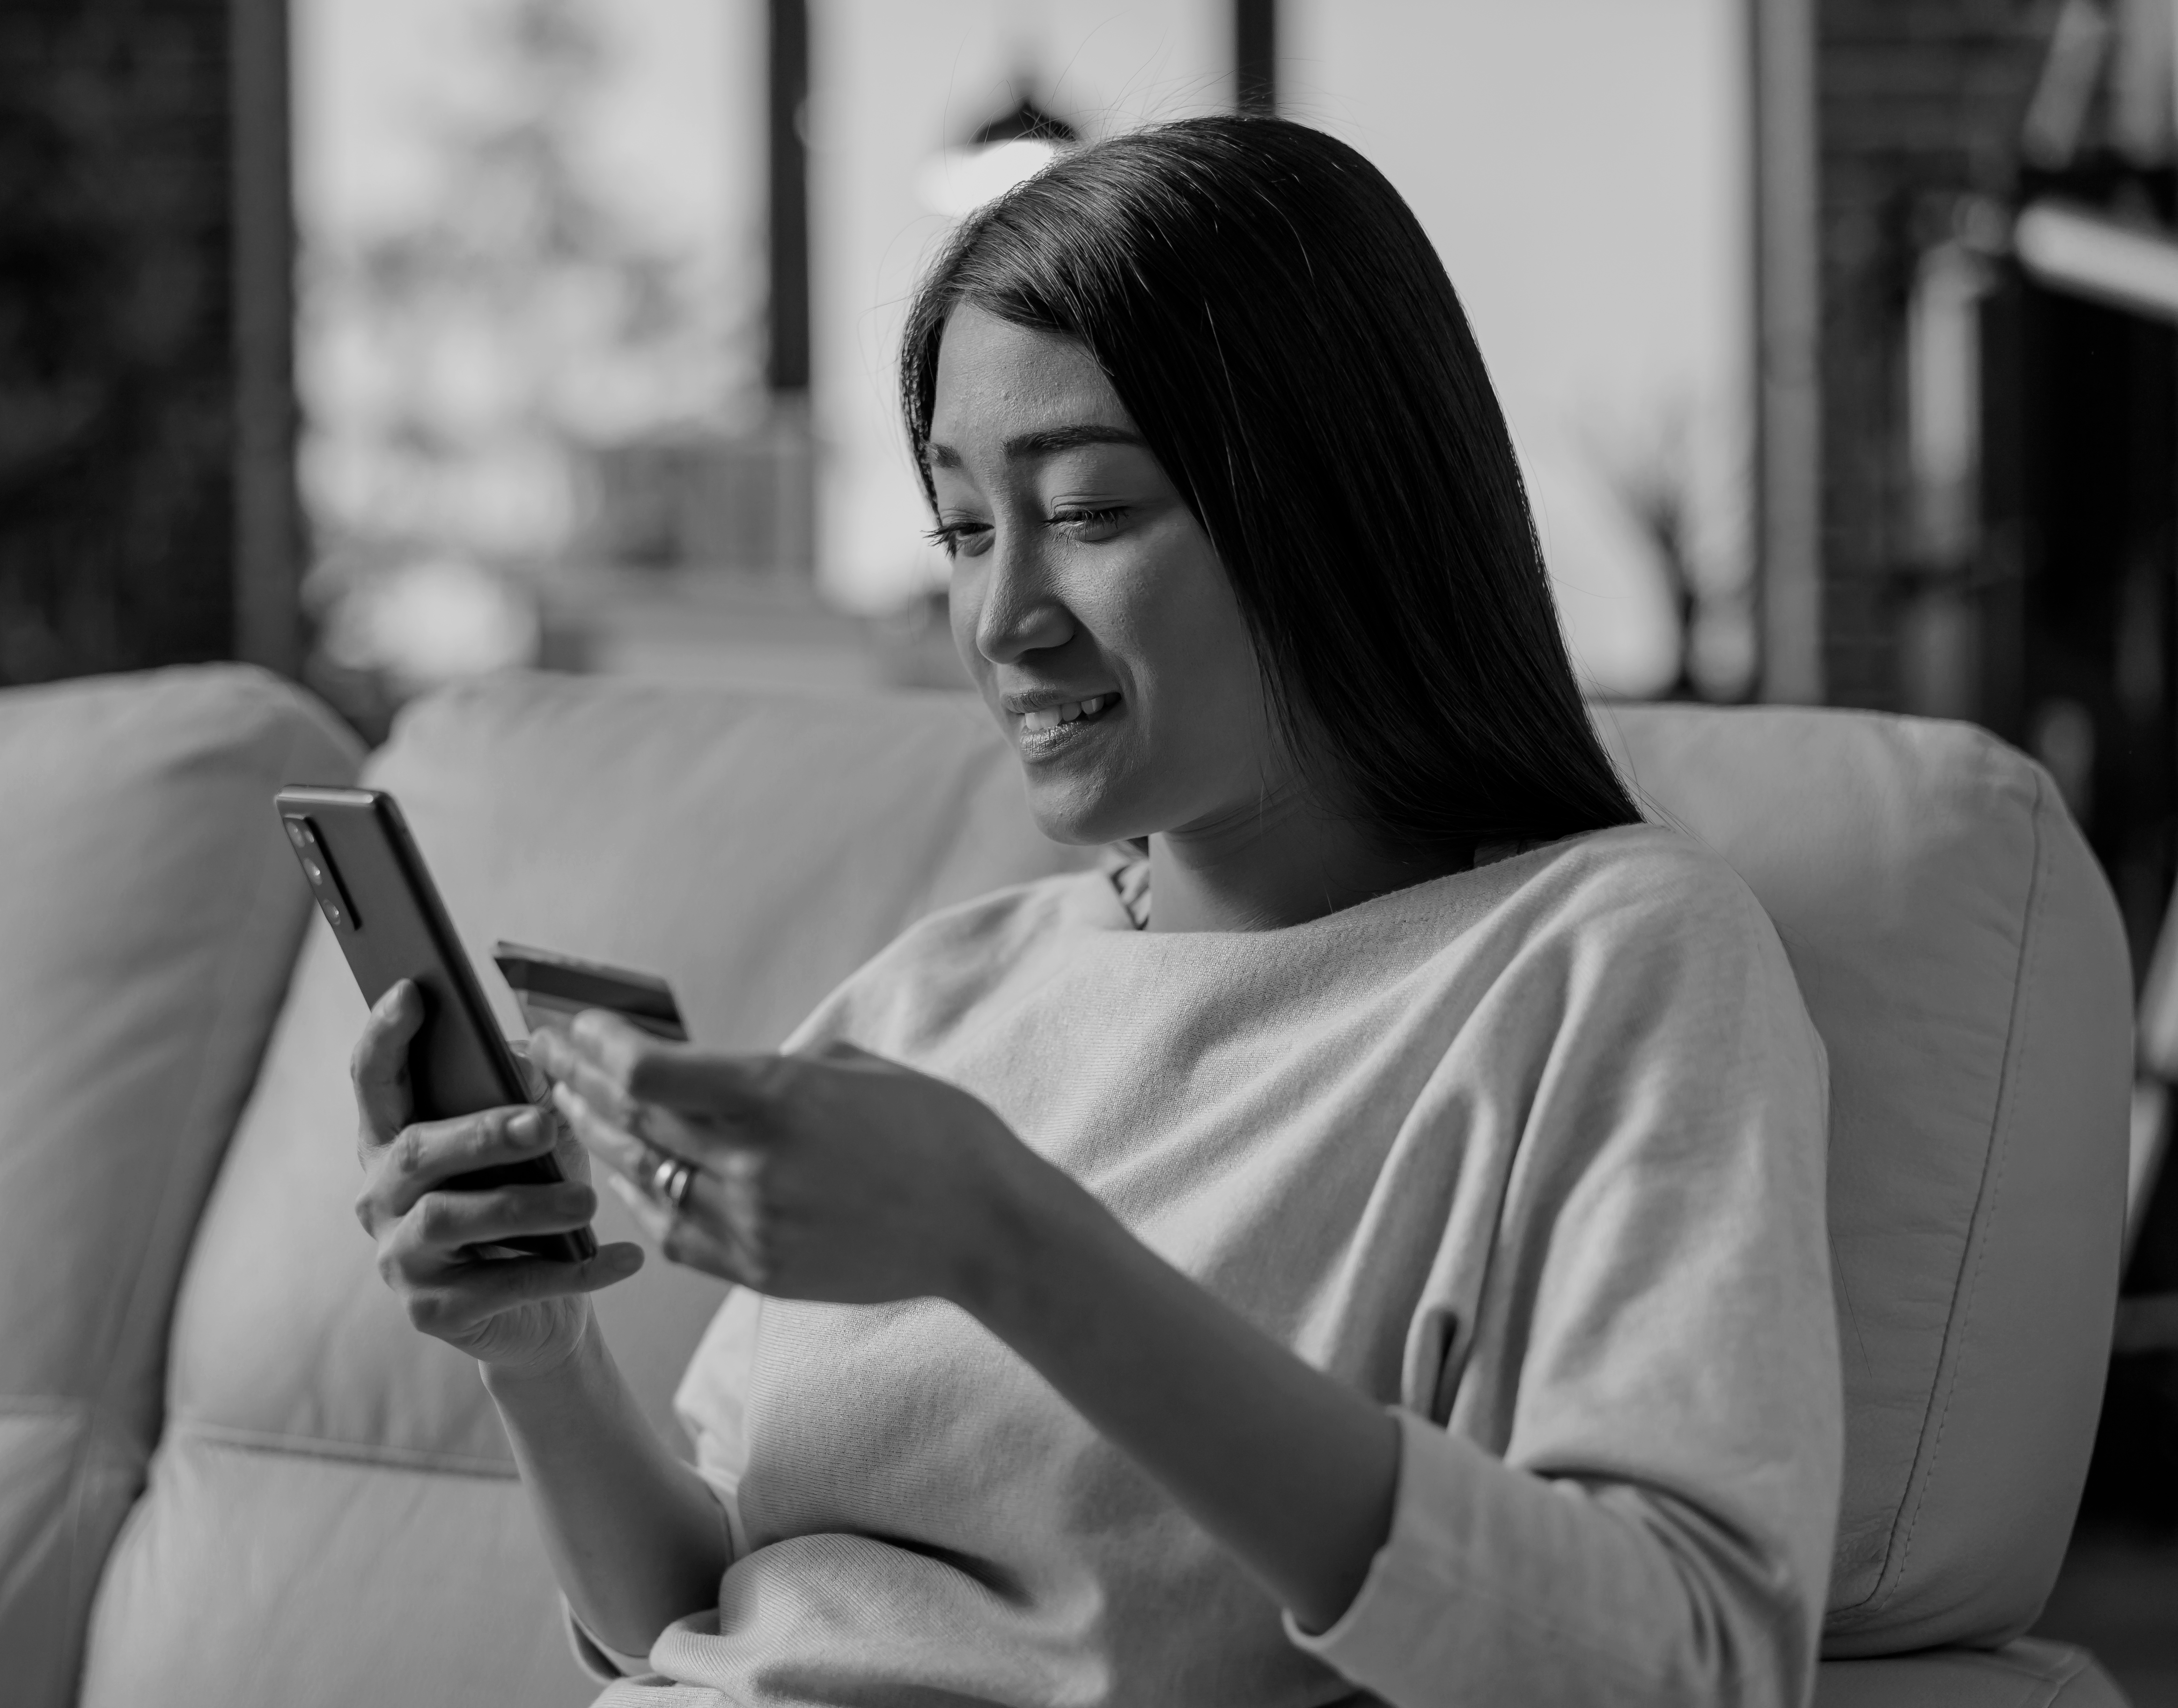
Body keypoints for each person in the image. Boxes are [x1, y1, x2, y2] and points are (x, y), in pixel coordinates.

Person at [348, 116, 1840, 1708]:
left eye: (1093, 512)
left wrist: (1012, 1242)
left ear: (1341, 505)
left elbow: (1691, 1663)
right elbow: (713, 1615)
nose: (1003, 621)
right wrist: (541, 1354)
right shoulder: (936, 997)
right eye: (965, 529)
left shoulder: (1607, 959)